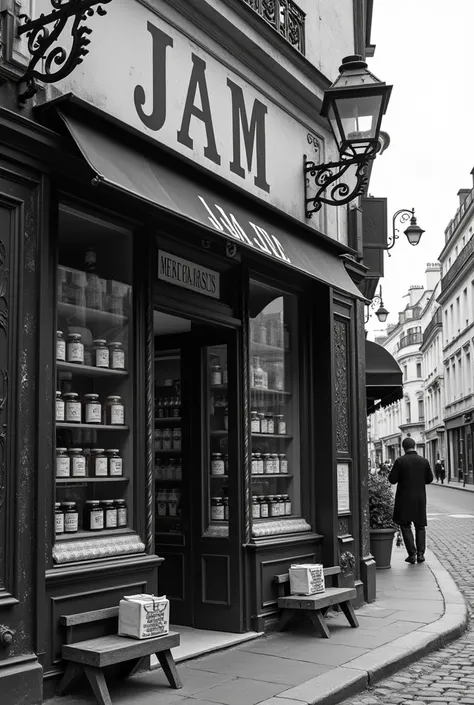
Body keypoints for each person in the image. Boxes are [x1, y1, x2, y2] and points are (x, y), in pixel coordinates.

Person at [388, 437, 434, 564]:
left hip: (404, 499)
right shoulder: (424, 461)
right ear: (415, 446)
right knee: (420, 526)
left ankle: (412, 554)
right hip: (419, 498)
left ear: (403, 447)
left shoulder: (400, 461)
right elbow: (429, 479)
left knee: (405, 526)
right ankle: (421, 554)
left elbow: (392, 479)